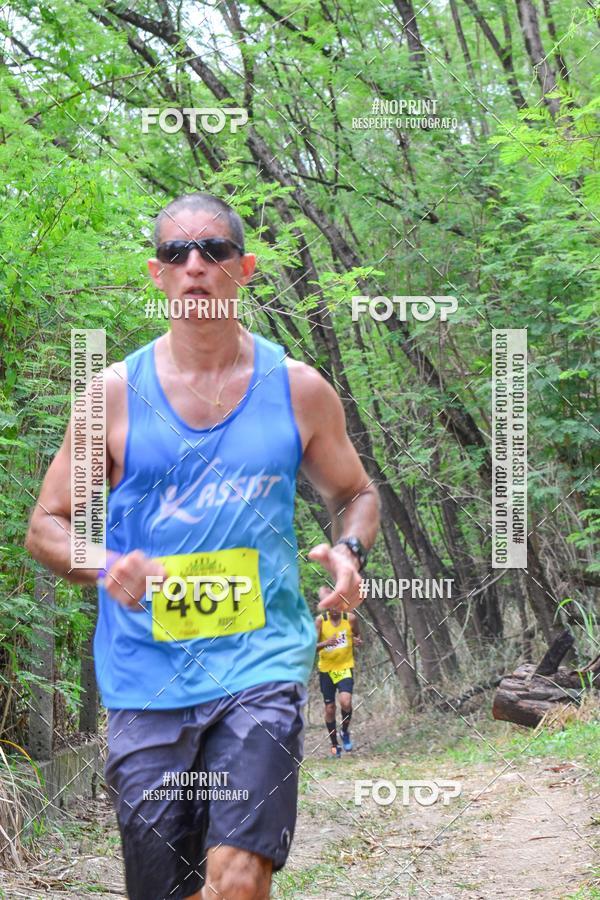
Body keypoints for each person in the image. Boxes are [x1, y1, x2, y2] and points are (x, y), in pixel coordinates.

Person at [25, 192, 380, 900]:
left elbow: (357, 494)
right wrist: (102, 564)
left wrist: (349, 550)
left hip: (262, 664)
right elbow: (46, 527)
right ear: (156, 275)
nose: (195, 265)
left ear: (243, 269)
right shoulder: (113, 396)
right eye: (176, 254)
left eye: (214, 250)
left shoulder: (299, 389)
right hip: (145, 678)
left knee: (239, 877)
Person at [315, 609, 362, 757]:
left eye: (338, 606)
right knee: (330, 708)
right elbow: (312, 646)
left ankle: (345, 731)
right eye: (331, 607)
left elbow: (357, 635)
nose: (334, 610)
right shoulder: (320, 621)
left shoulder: (350, 619)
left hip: (344, 667)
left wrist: (357, 640)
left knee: (346, 702)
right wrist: (325, 643)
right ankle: (335, 746)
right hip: (326, 670)